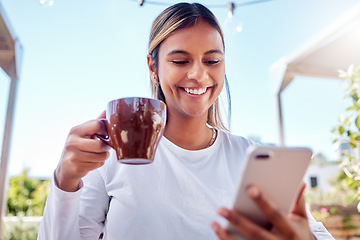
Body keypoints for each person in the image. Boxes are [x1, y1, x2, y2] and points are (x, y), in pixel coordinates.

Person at [37, 2, 334, 240]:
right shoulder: (110, 157)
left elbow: (311, 233)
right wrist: (65, 179)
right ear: (153, 67)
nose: (198, 75)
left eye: (212, 61)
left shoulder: (252, 159)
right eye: (180, 60)